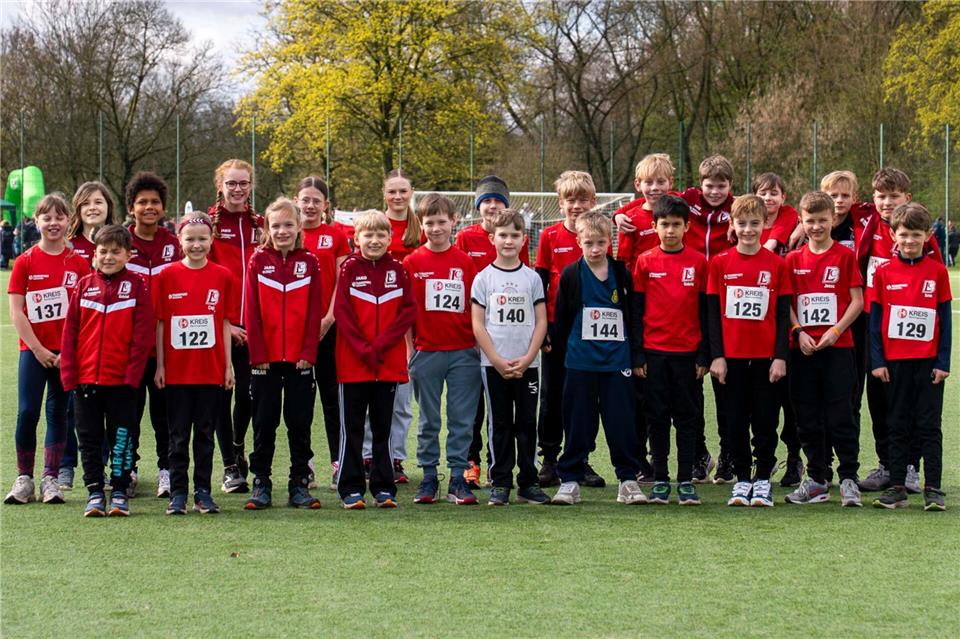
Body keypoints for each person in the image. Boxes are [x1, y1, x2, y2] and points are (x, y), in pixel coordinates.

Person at [550, 211, 646, 506]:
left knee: (621, 423)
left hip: (617, 363)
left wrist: (635, 355)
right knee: (578, 423)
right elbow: (563, 319)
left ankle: (628, 479)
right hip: (581, 363)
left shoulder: (621, 274)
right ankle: (569, 480)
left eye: (600, 242)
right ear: (578, 241)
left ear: (610, 242)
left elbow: (632, 317)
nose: (594, 248)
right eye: (588, 242)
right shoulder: (571, 275)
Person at [856, 168, 941, 493]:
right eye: (881, 196)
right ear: (873, 198)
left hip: (911, 334)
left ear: (908, 197)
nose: (887, 202)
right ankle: (887, 463)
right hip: (872, 323)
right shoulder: (865, 224)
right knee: (878, 396)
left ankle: (910, 468)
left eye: (894, 196)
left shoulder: (919, 235)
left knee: (912, 399)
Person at [60, 225, 153, 516]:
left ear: (128, 254)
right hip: (86, 381)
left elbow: (143, 337)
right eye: (103, 251)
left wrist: (132, 378)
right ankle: (95, 492)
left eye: (116, 251)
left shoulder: (137, 286)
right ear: (94, 254)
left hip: (122, 384)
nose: (109, 257)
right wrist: (69, 375)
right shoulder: (83, 286)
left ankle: (120, 490)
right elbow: (70, 333)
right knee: (88, 440)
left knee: (123, 440)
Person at [4, 194, 90, 505]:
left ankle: (50, 478)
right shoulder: (25, 261)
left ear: (69, 221)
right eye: (46, 217)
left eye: (59, 217)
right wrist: (38, 349)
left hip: (66, 353)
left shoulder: (79, 264)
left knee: (59, 414)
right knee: (28, 412)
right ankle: (23, 477)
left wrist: (70, 351)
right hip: (34, 351)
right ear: (36, 221)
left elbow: (84, 314)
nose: (53, 223)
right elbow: (17, 311)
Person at [707, 195, 791, 508]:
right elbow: (712, 313)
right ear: (732, 225)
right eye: (742, 223)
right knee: (735, 420)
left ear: (765, 224)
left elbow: (784, 314)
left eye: (754, 223)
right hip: (731, 358)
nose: (748, 229)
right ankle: (742, 479)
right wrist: (718, 355)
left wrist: (781, 356)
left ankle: (764, 479)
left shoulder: (777, 265)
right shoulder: (719, 263)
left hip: (767, 358)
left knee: (766, 421)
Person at [243, 198, 325, 510]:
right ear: (267, 228)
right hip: (265, 361)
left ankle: (299, 483)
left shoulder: (310, 261)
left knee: (299, 423)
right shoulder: (258, 261)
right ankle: (261, 481)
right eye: (276, 225)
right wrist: (258, 352)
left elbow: (314, 310)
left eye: (288, 225)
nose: (282, 231)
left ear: (299, 227)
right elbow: (251, 310)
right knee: (264, 422)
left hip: (299, 361)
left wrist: (308, 351)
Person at [869, 203, 951, 511]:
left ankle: (933, 488)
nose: (909, 241)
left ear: (927, 236)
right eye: (903, 234)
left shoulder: (938, 273)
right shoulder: (884, 273)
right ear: (893, 235)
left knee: (929, 425)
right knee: (897, 423)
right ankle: (897, 487)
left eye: (916, 235)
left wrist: (943, 363)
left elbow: (945, 322)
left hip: (929, 364)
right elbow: (875, 323)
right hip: (895, 364)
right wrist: (877, 360)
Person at [784, 192, 864, 507]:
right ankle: (817, 478)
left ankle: (848, 478)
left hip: (838, 347)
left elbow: (857, 301)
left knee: (841, 414)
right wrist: (798, 331)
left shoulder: (845, 256)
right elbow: (787, 304)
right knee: (807, 416)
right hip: (802, 350)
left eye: (822, 220)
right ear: (801, 223)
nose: (816, 226)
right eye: (810, 221)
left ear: (832, 219)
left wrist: (836, 330)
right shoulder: (792, 259)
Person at [153, 212, 235, 515]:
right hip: (176, 373)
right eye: (190, 239)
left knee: (204, 435)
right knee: (177, 437)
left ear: (211, 241)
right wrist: (160, 366)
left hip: (210, 371)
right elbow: (161, 324)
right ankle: (178, 493)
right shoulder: (166, 276)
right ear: (180, 241)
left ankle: (203, 492)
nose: (196, 245)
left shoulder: (223, 276)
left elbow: (225, 323)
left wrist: (228, 366)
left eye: (202, 239)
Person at [334, 211, 417, 509]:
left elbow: (408, 311)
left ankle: (384, 487)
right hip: (353, 363)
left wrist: (380, 346)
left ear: (389, 238)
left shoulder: (399, 269)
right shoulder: (349, 270)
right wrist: (363, 348)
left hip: (387, 363)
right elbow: (342, 312)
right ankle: (350, 488)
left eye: (381, 235)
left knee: (384, 429)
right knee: (352, 429)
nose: (375, 240)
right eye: (368, 235)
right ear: (356, 239)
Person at [403, 194, 480, 505]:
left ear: (454, 222)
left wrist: (475, 346)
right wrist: (410, 351)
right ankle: (429, 476)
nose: (436, 228)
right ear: (421, 224)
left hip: (463, 352)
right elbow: (406, 313)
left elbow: (476, 309)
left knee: (462, 419)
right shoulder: (412, 262)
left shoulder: (465, 262)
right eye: (429, 222)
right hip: (426, 352)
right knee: (429, 419)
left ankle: (459, 477)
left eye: (441, 222)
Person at [632, 195, 709, 505]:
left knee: (688, 418)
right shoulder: (645, 262)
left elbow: (706, 312)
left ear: (687, 227)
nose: (670, 231)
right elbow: (637, 311)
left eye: (676, 225)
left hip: (688, 355)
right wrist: (637, 354)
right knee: (658, 418)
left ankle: (686, 479)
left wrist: (704, 353)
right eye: (664, 225)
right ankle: (661, 478)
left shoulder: (699, 263)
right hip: (653, 354)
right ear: (655, 227)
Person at [455, 175, 530, 488]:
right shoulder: (465, 238)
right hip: (473, 333)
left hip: (505, 335)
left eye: (497, 200)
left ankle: (497, 464)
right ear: (478, 205)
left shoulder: (513, 239)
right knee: (474, 404)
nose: (492, 206)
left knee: (502, 406)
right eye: (486, 200)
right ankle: (471, 461)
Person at [471, 209, 550, 505]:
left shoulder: (531, 279)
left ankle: (528, 482)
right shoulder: (483, 279)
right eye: (502, 235)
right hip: (494, 366)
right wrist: (496, 359)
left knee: (527, 423)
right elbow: (478, 323)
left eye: (514, 235)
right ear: (492, 238)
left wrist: (529, 357)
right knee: (499, 423)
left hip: (527, 366)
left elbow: (541, 320)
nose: (508, 241)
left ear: (523, 239)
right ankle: (500, 481)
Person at [535, 171, 608, 488]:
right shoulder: (550, 237)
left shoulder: (601, 236)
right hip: (556, 328)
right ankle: (549, 459)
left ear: (593, 202)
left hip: (589, 329)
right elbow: (539, 285)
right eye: (570, 200)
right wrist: (542, 330)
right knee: (552, 394)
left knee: (585, 398)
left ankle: (580, 458)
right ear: (560, 204)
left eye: (583, 200)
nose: (576, 206)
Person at [612, 153, 681, 483]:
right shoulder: (629, 217)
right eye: (648, 182)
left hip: (676, 313)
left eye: (661, 182)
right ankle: (642, 458)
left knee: (682, 396)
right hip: (642, 310)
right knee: (641, 391)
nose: (655, 188)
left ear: (671, 184)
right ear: (637, 185)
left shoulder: (679, 210)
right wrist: (617, 216)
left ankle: (691, 456)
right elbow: (623, 261)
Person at [362, 169, 424, 483]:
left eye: (403, 191)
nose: (398, 197)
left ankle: (395, 457)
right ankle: (367, 455)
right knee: (368, 396)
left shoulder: (420, 230)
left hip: (405, 324)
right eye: (392, 191)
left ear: (411, 192)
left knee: (400, 398)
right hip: (373, 321)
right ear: (384, 194)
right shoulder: (374, 225)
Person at [58, 182, 118, 490]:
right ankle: (67, 465)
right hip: (76, 340)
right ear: (78, 211)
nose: (93, 207)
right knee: (72, 406)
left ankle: (106, 468)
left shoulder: (119, 242)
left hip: (108, 341)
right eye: (86, 204)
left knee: (107, 409)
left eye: (99, 202)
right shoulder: (68, 246)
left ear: (109, 206)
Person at [125, 171, 181, 498]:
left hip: (166, 351)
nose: (149, 207)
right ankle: (127, 469)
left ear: (163, 207)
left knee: (165, 417)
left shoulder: (175, 246)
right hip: (129, 350)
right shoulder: (119, 243)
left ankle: (167, 470)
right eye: (142, 202)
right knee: (127, 415)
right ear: (131, 207)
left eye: (155, 202)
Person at [208, 159, 262, 493]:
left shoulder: (262, 224)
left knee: (247, 395)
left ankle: (239, 444)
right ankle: (230, 466)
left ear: (251, 186)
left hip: (254, 327)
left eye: (243, 183)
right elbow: (202, 281)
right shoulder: (208, 224)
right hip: (218, 327)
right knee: (219, 396)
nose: (237, 189)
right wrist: (223, 324)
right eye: (231, 184)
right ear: (221, 186)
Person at [684, 155, 736, 483]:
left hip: (722, 303)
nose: (714, 191)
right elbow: (647, 205)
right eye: (709, 185)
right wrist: (620, 216)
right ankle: (698, 454)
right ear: (699, 184)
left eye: (721, 185)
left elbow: (782, 214)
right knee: (690, 386)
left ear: (731, 186)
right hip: (687, 302)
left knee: (724, 383)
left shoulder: (740, 207)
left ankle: (730, 452)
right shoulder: (687, 201)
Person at [297, 176, 351, 491]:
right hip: (297, 331)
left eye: (317, 200)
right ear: (297, 200)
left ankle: (338, 462)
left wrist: (329, 318)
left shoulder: (337, 236)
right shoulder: (287, 232)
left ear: (325, 205)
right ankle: (304, 465)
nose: (311, 205)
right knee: (301, 401)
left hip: (331, 328)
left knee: (333, 398)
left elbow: (343, 279)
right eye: (306, 199)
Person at [752, 172, 802, 487]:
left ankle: (795, 459)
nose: (769, 198)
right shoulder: (744, 224)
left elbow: (771, 248)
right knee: (759, 403)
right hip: (755, 330)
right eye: (763, 192)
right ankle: (760, 461)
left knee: (791, 401)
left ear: (784, 197)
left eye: (775, 193)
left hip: (789, 322)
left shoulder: (793, 221)